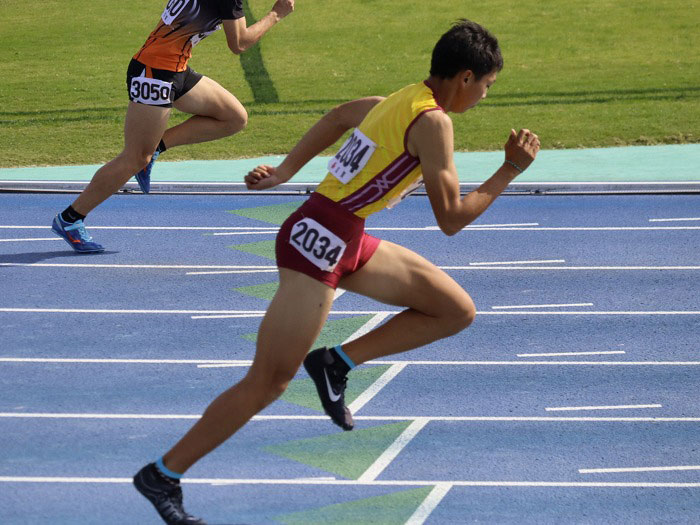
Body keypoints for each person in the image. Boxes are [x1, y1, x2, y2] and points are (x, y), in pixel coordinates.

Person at [133, 19, 540, 525]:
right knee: (268, 382)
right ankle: (163, 473)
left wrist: (286, 170)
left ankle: (337, 363)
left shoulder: (402, 98)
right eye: (486, 86)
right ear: (464, 76)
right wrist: (509, 170)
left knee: (454, 310)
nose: (483, 97)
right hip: (319, 242)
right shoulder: (434, 122)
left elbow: (338, 116)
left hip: (347, 236)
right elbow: (452, 219)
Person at [51, 0, 295, 253]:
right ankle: (70, 218)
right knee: (134, 158)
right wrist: (276, 14)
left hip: (175, 69)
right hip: (154, 74)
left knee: (234, 118)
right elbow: (240, 43)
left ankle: (157, 147)